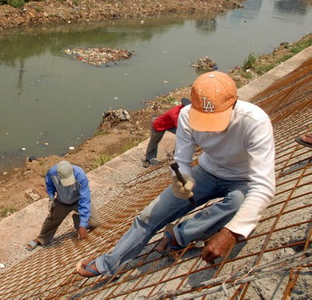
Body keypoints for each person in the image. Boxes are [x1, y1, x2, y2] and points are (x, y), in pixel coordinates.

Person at [76, 71, 275, 277]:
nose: (212, 129)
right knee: (148, 216)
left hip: (242, 179)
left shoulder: (255, 122)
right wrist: (183, 178)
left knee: (237, 203)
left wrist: (231, 233)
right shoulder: (187, 116)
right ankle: (109, 263)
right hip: (206, 172)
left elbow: (264, 185)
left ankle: (179, 235)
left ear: (234, 103)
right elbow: (182, 159)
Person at [26, 160, 102, 251]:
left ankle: (77, 219)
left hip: (78, 201)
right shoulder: (52, 173)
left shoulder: (80, 175)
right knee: (52, 220)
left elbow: (85, 199)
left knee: (95, 223)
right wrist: (51, 198)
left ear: (72, 171)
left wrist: (82, 225)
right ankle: (40, 238)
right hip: (62, 201)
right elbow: (50, 186)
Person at [143, 98, 191, 167]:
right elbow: (181, 127)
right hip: (159, 126)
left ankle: (177, 153)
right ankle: (148, 159)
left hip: (170, 125)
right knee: (154, 142)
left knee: (182, 136)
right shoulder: (174, 114)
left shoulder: (184, 110)